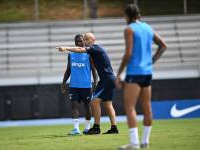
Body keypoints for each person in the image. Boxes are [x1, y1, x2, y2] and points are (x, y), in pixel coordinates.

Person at [115, 4, 167, 150]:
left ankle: (134, 143)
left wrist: (118, 73)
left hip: (134, 72)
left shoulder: (129, 29)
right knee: (147, 107)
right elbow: (163, 45)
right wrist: (151, 61)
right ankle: (145, 141)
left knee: (130, 107)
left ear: (127, 16)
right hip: (147, 73)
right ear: (139, 15)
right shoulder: (148, 28)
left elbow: (128, 54)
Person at [57, 32, 119, 135]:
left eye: (86, 39)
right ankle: (114, 128)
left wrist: (65, 48)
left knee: (94, 102)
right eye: (84, 39)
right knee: (108, 104)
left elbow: (81, 50)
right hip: (109, 79)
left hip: (106, 80)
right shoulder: (94, 51)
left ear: (92, 40)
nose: (84, 41)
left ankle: (96, 127)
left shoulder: (94, 48)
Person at [61, 34, 97, 135]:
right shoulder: (71, 55)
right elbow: (68, 70)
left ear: (84, 41)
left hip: (86, 86)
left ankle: (87, 128)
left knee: (87, 106)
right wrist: (63, 83)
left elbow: (94, 71)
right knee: (73, 105)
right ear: (75, 43)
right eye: (77, 41)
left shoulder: (89, 54)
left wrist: (95, 83)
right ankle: (76, 129)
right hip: (73, 86)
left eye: (81, 41)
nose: (79, 43)